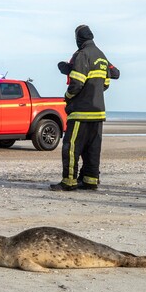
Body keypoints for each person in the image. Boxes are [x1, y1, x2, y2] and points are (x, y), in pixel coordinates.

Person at [50, 25, 119, 191]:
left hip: (81, 112)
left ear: (78, 38)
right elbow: (106, 83)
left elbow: (77, 83)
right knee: (92, 149)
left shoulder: (82, 55)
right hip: (98, 112)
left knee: (72, 147)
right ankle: (90, 180)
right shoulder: (102, 57)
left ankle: (69, 182)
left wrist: (68, 97)